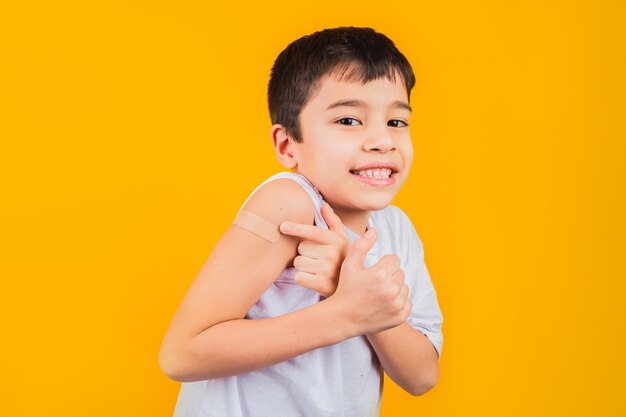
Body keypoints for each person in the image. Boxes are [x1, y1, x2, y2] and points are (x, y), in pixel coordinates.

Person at [159, 26, 443, 417]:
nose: (383, 140)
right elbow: (182, 354)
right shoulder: (288, 204)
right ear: (287, 145)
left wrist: (359, 294)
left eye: (396, 122)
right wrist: (343, 313)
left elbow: (423, 375)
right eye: (348, 120)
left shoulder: (397, 230)